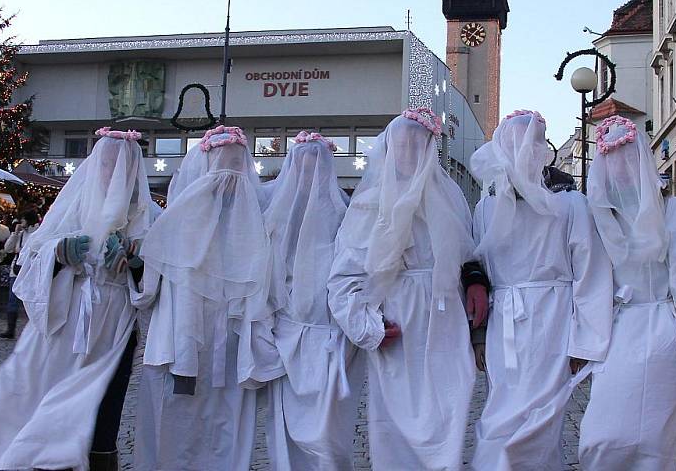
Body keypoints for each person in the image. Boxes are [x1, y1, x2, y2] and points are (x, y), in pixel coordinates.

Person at [0, 127, 154, 471]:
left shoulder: (147, 218)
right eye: (109, 165)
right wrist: (59, 255)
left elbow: (158, 280)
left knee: (105, 410)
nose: (116, 174)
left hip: (115, 331)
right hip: (67, 324)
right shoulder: (71, 209)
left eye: (125, 167)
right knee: (53, 401)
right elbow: (29, 261)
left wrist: (137, 264)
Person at [328, 108, 487, 470]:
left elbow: (469, 255)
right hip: (397, 323)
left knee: (448, 411)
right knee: (394, 425)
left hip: (447, 322)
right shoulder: (369, 205)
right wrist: (368, 327)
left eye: (419, 146)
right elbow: (343, 278)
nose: (409, 154)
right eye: (402, 146)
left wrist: (476, 283)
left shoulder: (450, 199)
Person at [469, 110, 613, 471]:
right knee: (501, 410)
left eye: (532, 144)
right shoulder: (486, 207)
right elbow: (480, 276)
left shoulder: (569, 204)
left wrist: (583, 340)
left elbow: (590, 272)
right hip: (505, 325)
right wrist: (480, 335)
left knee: (543, 415)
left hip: (553, 321)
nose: (525, 152)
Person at [134, 126, 281, 471]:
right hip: (180, 352)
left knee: (226, 431)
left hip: (230, 355)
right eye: (222, 170)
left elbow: (263, 292)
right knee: (176, 429)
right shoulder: (179, 225)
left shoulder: (252, 227)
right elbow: (152, 290)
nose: (229, 182)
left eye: (236, 170)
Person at [578, 115, 676, 469]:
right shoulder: (599, 218)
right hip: (617, 333)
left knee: (650, 439)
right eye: (612, 161)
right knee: (600, 436)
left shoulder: (672, 213)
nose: (620, 169)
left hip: (662, 331)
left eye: (627, 158)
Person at [262, 131, 361, 470]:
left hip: (328, 334)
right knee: (287, 426)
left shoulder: (343, 213)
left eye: (316, 167)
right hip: (287, 333)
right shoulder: (276, 214)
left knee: (326, 429)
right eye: (303, 167)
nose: (309, 174)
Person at [0, 209, 40, 339]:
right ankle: (11, 329)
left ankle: (35, 330)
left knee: (32, 300)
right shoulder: (20, 234)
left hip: (30, 271)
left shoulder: (38, 233)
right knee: (12, 300)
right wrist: (15, 234)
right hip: (16, 270)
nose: (20, 222)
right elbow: (8, 248)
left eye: (22, 219)